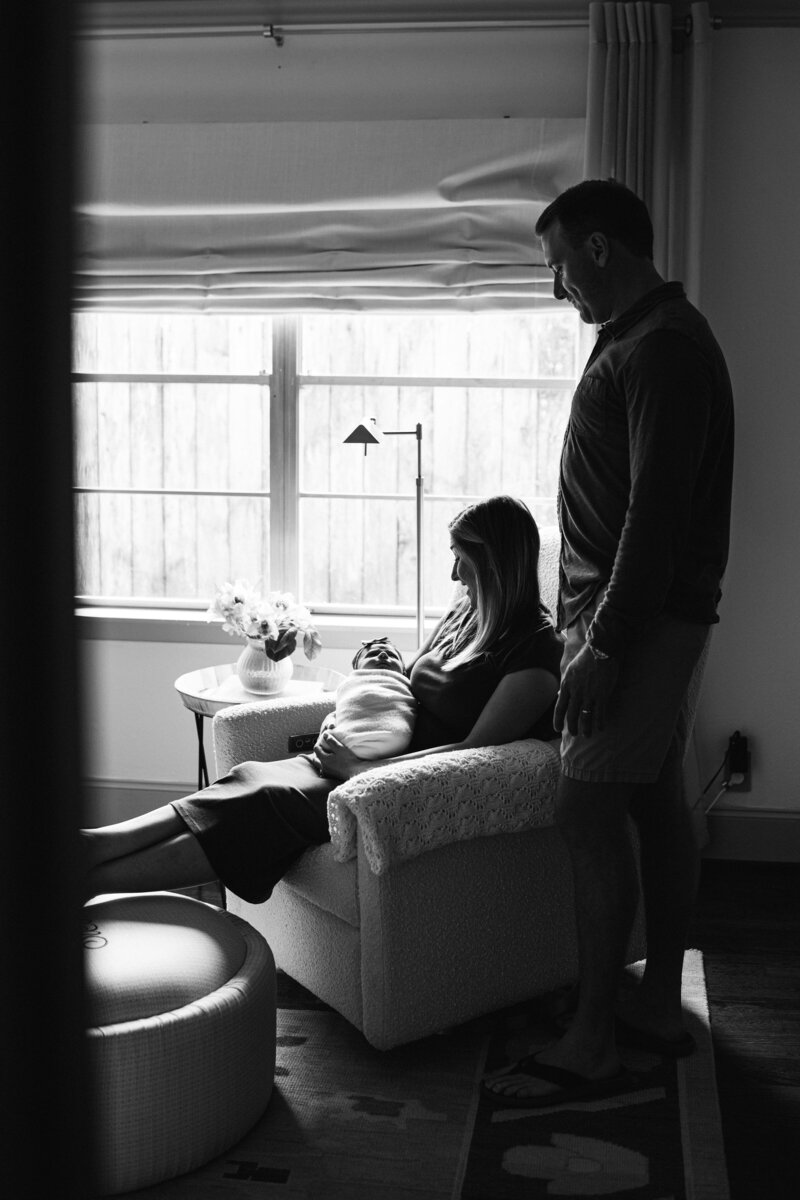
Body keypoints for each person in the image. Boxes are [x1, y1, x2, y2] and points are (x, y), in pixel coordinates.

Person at [485, 179, 734, 1108]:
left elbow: (656, 520)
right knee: (658, 802)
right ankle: (658, 1009)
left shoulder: (663, 348)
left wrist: (602, 645)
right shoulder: (639, 339)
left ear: (598, 248)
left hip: (635, 626)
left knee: (585, 813)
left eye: (558, 266)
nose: (557, 289)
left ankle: (593, 1040)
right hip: (632, 621)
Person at [83, 495, 564, 905]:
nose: (453, 572)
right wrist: (351, 708)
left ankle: (90, 879)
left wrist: (358, 770)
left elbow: (475, 752)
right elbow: (405, 683)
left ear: (494, 560)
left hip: (396, 784)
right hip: (368, 752)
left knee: (264, 803)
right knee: (251, 777)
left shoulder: (536, 651)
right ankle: (98, 845)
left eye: (462, 557)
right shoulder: (465, 614)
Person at [315, 636, 418, 762]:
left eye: (392, 655)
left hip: (393, 736)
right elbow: (347, 706)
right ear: (357, 668)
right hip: (348, 739)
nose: (383, 655)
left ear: (403, 671)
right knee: (326, 741)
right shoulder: (352, 682)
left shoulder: (404, 682)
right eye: (373, 654)